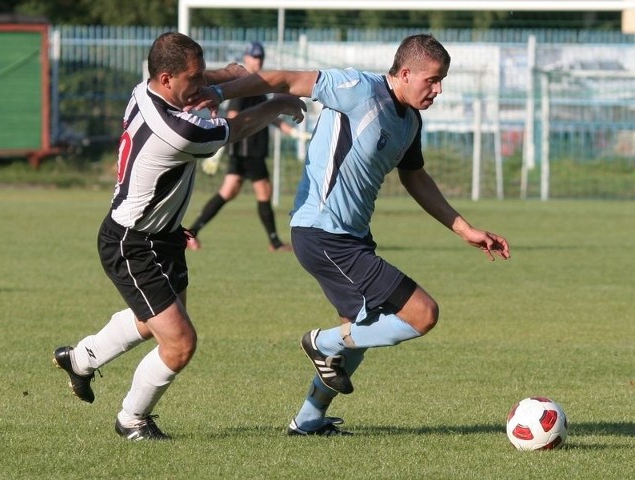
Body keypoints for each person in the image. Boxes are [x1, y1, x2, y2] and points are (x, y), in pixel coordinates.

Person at [189, 33, 511, 436]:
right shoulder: (359, 89)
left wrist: (465, 229)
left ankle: (307, 420)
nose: (439, 89)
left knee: (358, 331)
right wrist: (218, 90)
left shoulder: (410, 120)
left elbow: (416, 178)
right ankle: (320, 343)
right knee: (422, 314)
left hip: (351, 238)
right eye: (432, 79)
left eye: (442, 80)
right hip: (321, 232)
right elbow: (285, 79)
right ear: (405, 73)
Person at [52, 32, 305, 441]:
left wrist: (223, 79)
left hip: (163, 236)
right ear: (167, 78)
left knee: (152, 322)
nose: (200, 84)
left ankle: (79, 359)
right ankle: (132, 420)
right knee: (180, 342)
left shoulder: (144, 91)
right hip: (132, 242)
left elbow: (210, 85)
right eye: (193, 78)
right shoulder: (178, 130)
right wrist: (277, 103)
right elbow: (239, 128)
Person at [186, 41, 296, 252]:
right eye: (254, 57)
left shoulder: (256, 86)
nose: (257, 60)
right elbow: (234, 117)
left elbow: (266, 113)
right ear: (246, 58)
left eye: (260, 57)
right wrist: (217, 150)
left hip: (248, 149)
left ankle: (190, 234)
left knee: (228, 192)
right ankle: (275, 242)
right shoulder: (245, 87)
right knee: (263, 190)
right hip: (247, 149)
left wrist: (288, 129)